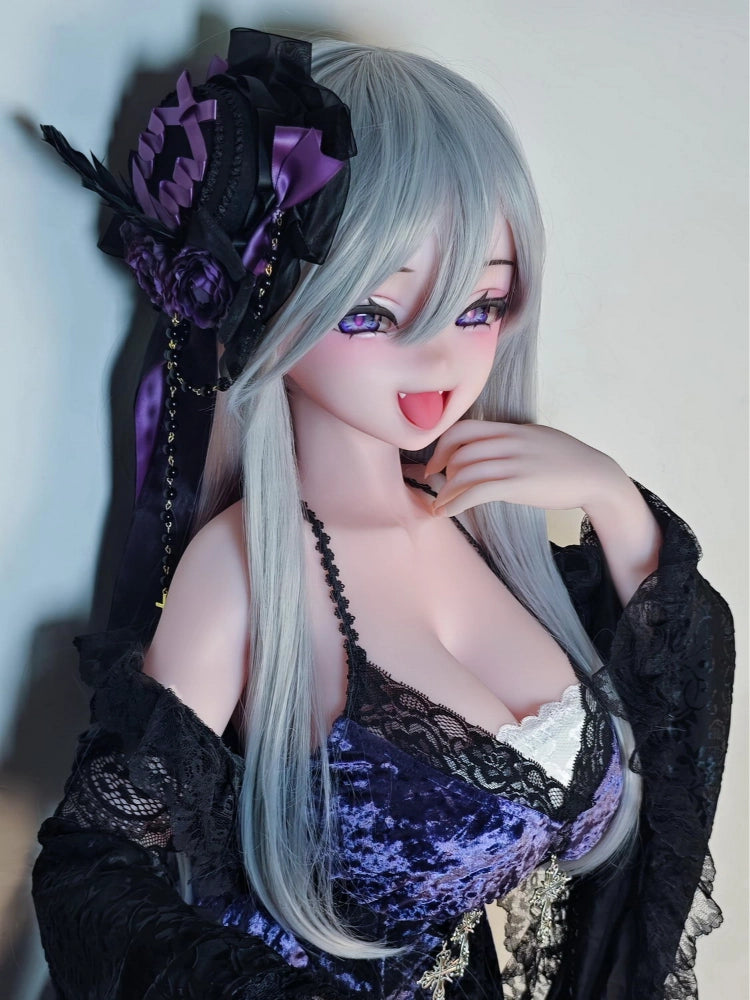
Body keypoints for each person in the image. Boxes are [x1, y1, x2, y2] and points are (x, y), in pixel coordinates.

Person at [32, 27, 734, 1000]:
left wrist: (614, 504)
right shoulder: (246, 572)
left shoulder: (497, 538)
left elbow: (677, 743)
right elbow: (93, 874)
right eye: (370, 313)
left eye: (481, 306)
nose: (440, 359)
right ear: (268, 306)